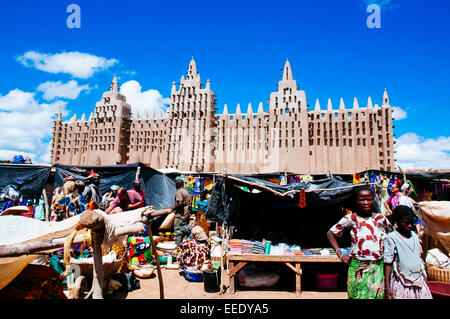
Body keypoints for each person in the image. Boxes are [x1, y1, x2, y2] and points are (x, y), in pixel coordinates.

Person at [327, 185, 392, 299]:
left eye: (369, 199)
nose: (366, 202)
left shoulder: (381, 219)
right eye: (362, 200)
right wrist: (340, 254)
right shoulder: (350, 219)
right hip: (357, 266)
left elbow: (391, 236)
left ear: (373, 200)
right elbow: (331, 233)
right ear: (356, 201)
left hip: (377, 266)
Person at [384, 205, 432, 299]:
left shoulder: (414, 235)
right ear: (397, 221)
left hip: (418, 281)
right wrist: (387, 286)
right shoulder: (392, 237)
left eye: (411, 222)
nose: (410, 225)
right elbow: (388, 263)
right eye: (406, 223)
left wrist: (423, 276)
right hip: (402, 283)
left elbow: (417, 259)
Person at [170, 179, 191, 247]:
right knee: (184, 233)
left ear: (177, 185)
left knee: (178, 233)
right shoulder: (186, 192)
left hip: (180, 216)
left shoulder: (179, 192)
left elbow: (180, 203)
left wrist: (172, 208)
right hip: (185, 215)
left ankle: (178, 249)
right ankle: (184, 249)